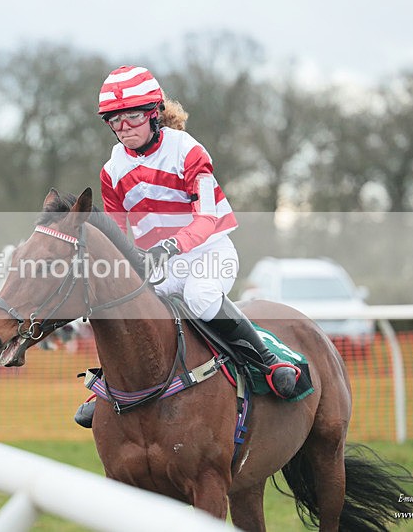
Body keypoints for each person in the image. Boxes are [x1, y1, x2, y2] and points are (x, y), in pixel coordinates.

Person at [74, 65, 299, 427]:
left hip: (209, 252)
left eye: (132, 115)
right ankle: (106, 382)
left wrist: (168, 248)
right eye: (114, 120)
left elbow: (207, 218)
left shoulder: (189, 152)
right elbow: (118, 233)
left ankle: (268, 363)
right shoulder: (111, 170)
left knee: (200, 299)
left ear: (154, 114)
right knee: (129, 306)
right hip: (161, 264)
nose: (123, 127)